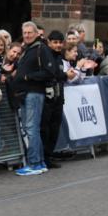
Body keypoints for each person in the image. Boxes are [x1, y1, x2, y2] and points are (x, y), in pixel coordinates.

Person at [12, 21, 55, 176]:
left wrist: (26, 76)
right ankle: (40, 162)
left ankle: (35, 164)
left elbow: (50, 72)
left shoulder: (41, 49)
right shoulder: (28, 49)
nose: (27, 35)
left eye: (30, 32)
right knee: (32, 129)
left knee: (31, 129)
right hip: (27, 93)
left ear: (37, 33)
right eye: (25, 33)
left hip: (34, 93)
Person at [41, 31, 68, 169]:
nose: (58, 45)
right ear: (49, 42)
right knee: (45, 130)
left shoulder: (59, 57)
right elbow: (50, 75)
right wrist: (64, 75)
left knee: (54, 129)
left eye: (60, 42)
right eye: (55, 42)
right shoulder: (46, 56)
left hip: (58, 99)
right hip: (47, 99)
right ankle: (43, 157)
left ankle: (48, 156)